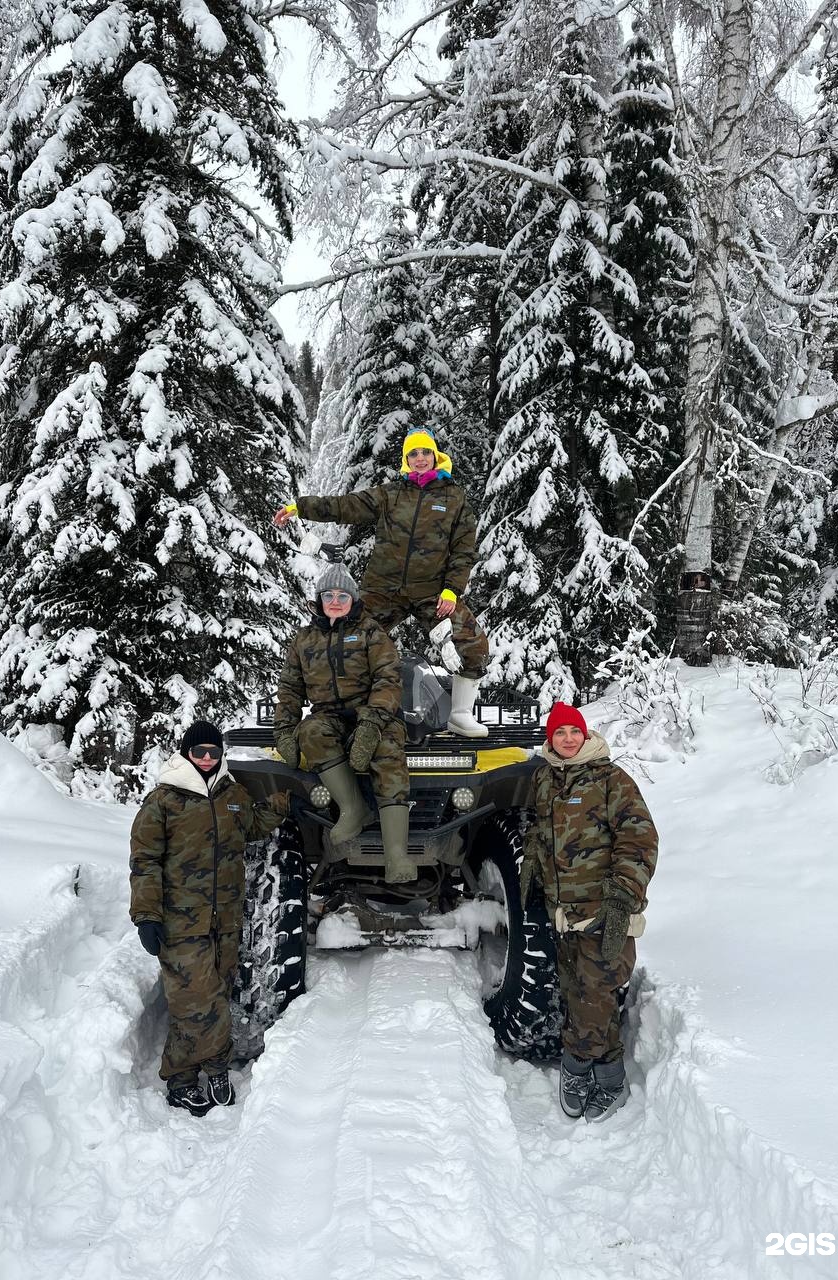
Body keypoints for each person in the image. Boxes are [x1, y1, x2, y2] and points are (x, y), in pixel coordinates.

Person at [273, 428, 490, 738]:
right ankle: (338, 713)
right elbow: (345, 505)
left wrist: (451, 590)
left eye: (424, 452)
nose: (419, 458)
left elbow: (464, 548)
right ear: (406, 460)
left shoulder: (453, 497)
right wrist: (301, 506)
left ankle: (459, 714)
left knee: (474, 643)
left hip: (432, 591)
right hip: (382, 590)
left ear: (435, 456)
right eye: (412, 454)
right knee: (343, 639)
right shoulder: (390, 494)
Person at [129, 721, 290, 1116]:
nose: (206, 759)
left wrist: (285, 803)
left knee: (218, 994)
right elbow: (144, 861)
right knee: (191, 1003)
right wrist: (146, 916)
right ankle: (181, 1079)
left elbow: (250, 827)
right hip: (180, 923)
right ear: (186, 752)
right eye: (199, 751)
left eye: (213, 752)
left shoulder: (230, 794)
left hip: (226, 921)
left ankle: (216, 1068)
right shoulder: (163, 801)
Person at [519, 701, 658, 1122]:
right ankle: (607, 1065)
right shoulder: (545, 780)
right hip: (562, 912)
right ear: (551, 739)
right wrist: (530, 870)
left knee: (595, 995)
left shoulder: (611, 779)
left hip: (605, 910)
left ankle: (583, 1069)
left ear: (586, 736)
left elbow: (640, 840)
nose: (566, 739)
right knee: (577, 993)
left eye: (573, 732)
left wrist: (621, 898)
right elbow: (540, 834)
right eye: (559, 733)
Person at [274, 561, 413, 883]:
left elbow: (388, 678)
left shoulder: (370, 632)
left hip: (376, 713)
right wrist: (284, 730)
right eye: (329, 595)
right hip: (328, 715)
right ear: (319, 600)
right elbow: (290, 688)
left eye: (342, 595)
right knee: (310, 731)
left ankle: (396, 854)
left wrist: (371, 722)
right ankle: (353, 810)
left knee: (387, 751)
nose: (335, 601)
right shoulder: (304, 639)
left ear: (352, 600)